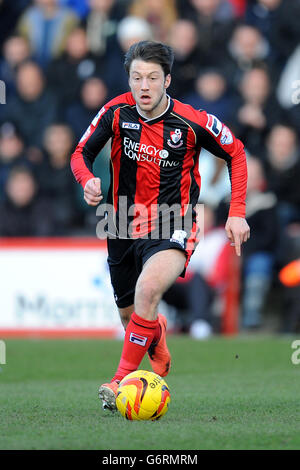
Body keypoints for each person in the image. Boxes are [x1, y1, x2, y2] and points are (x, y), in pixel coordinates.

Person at [70, 40, 249, 411]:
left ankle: (119, 382)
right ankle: (157, 336)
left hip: (173, 222)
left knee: (148, 290)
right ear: (129, 80)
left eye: (152, 78)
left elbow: (236, 150)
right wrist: (86, 179)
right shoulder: (115, 112)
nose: (144, 86)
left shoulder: (192, 122)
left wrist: (237, 211)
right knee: (128, 313)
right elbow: (80, 153)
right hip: (119, 220)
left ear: (167, 80)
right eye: (136, 78)